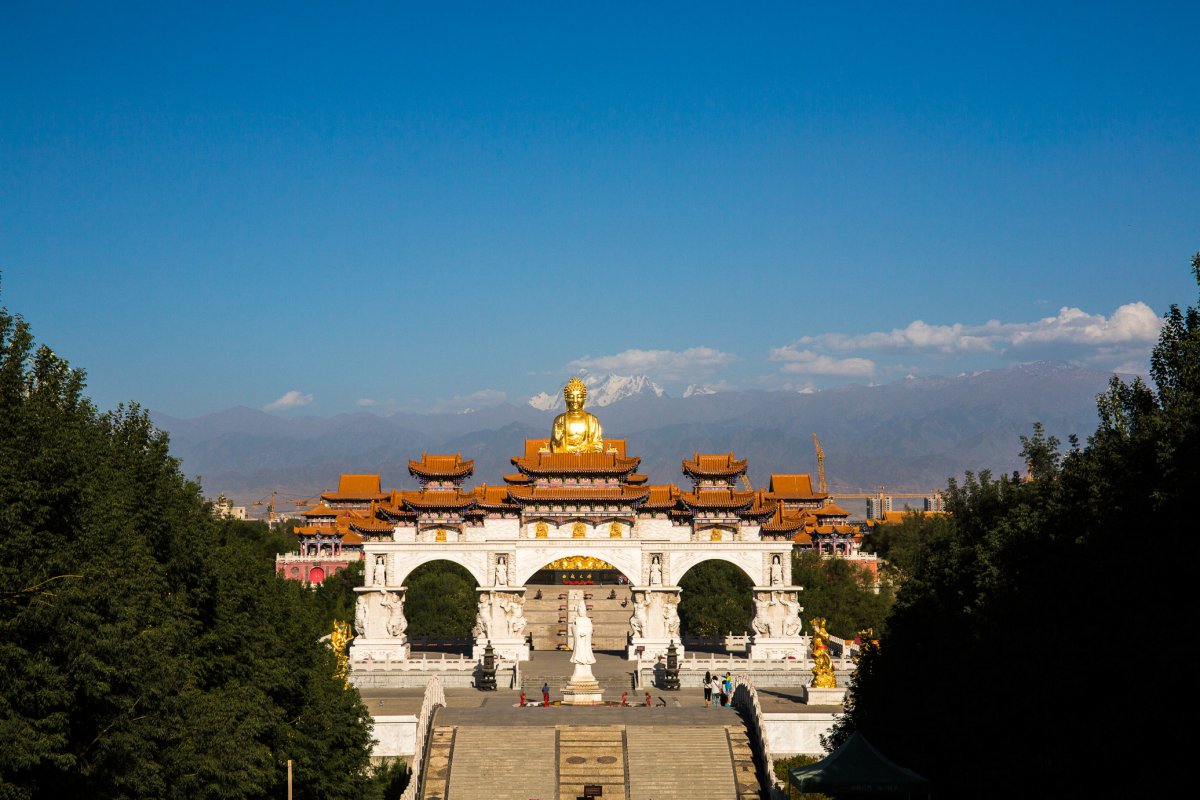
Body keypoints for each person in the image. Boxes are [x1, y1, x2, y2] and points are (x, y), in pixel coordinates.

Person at [550, 376, 604, 453]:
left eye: (579, 397)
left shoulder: (591, 419)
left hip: (587, 459)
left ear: (584, 398)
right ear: (566, 398)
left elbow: (597, 443)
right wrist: (557, 441)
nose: (575, 401)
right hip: (564, 458)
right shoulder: (560, 419)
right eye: (571, 397)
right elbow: (555, 445)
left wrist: (595, 454)